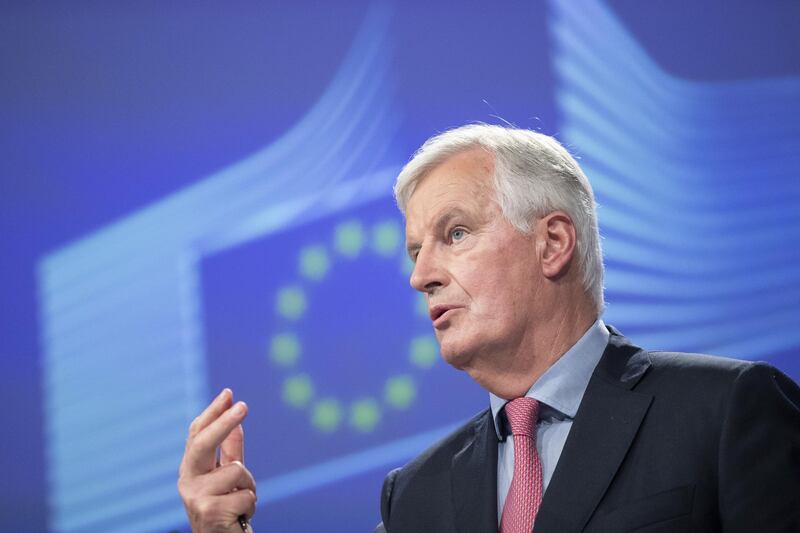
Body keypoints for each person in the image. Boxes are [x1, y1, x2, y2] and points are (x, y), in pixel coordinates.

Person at [178, 124, 800, 532]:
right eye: (414, 251)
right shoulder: (416, 497)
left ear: (552, 242)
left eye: (455, 234)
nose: (421, 276)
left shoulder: (724, 412)